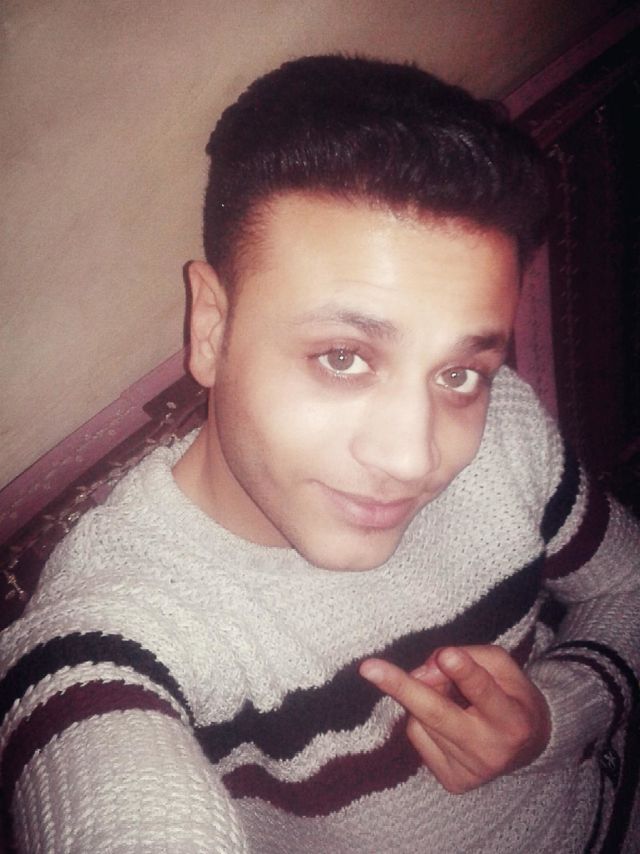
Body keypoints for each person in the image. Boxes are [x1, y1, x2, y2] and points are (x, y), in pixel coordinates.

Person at [1, 54, 639, 853]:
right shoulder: (123, 619)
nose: (413, 457)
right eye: (343, 357)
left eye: (458, 373)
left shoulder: (503, 426)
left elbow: (629, 584)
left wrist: (556, 712)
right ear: (211, 328)